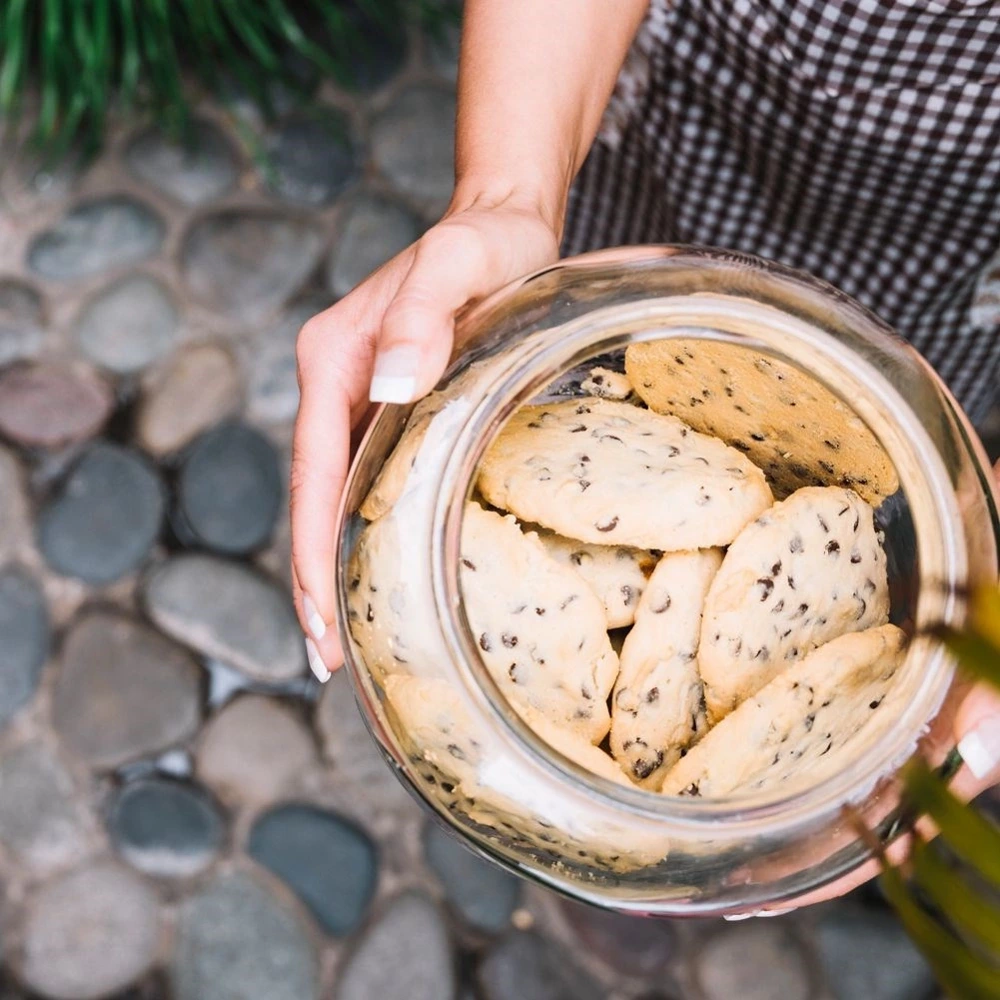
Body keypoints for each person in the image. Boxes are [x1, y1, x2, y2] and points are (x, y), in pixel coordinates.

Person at [290, 1, 1000, 906]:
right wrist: (509, 194)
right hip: (696, 129)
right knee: (604, 314)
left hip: (964, 266)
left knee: (929, 456)